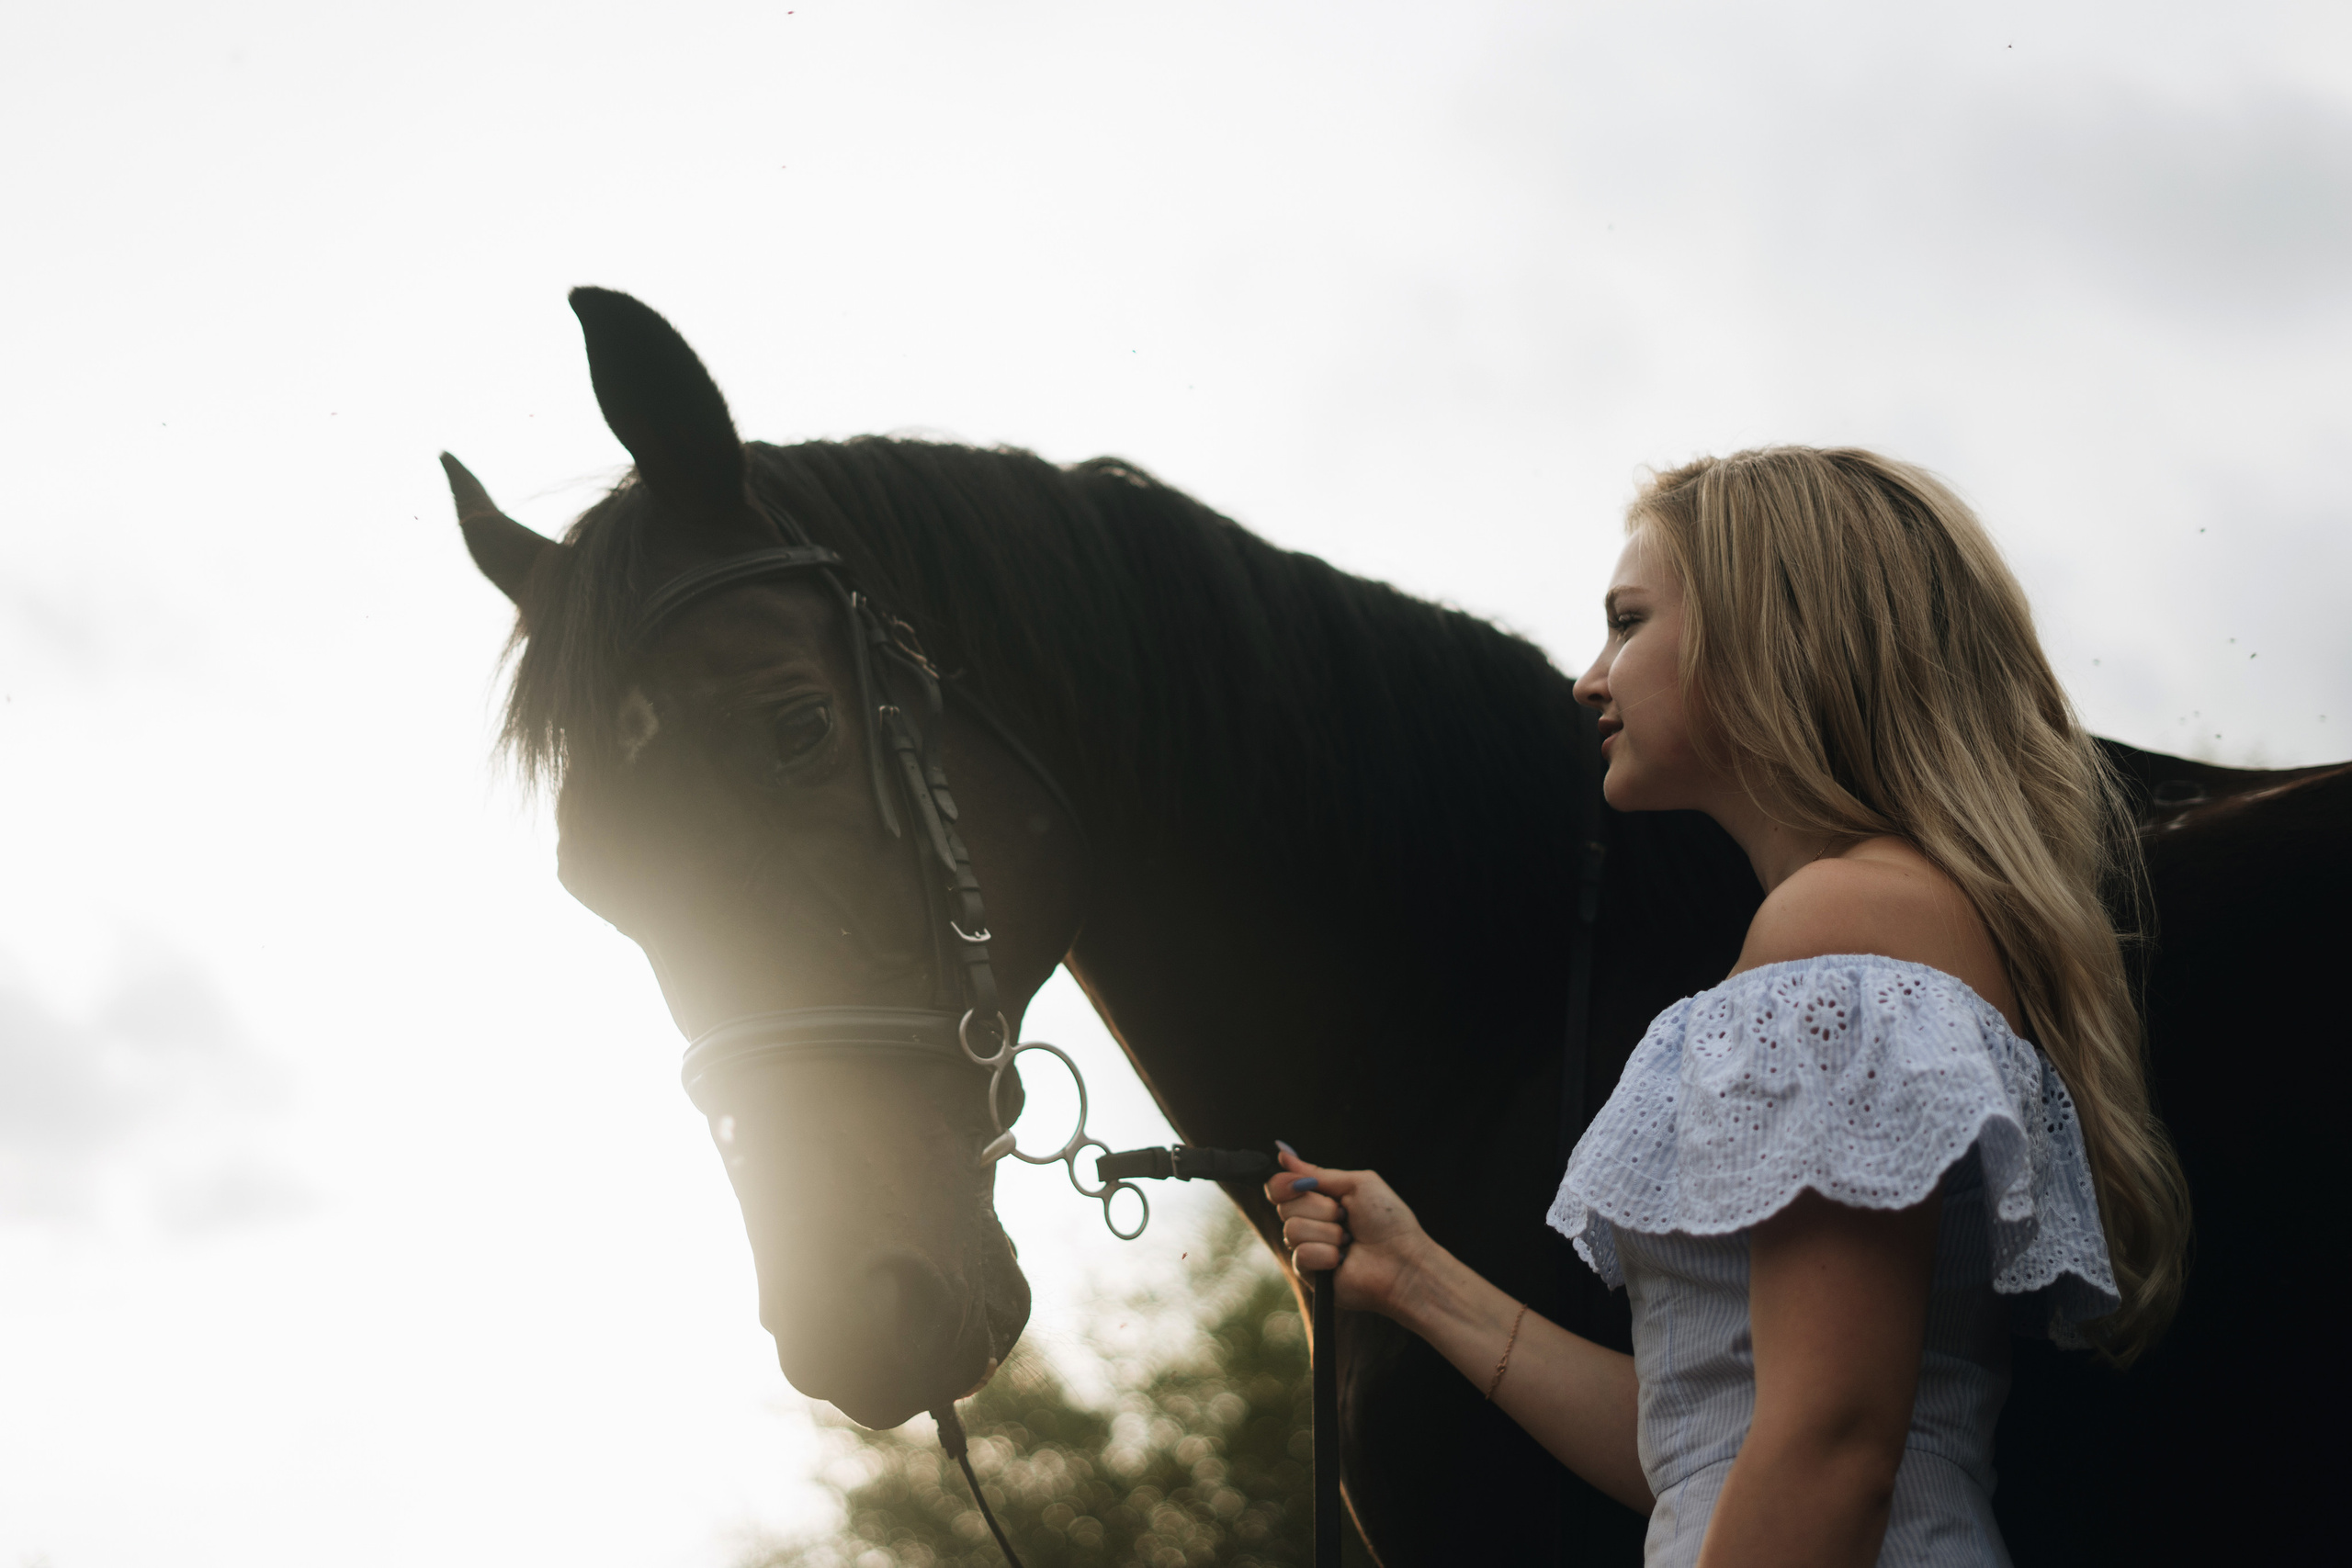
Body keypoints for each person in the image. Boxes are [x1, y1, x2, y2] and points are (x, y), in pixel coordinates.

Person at [1269, 447, 2191, 1567]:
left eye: (1628, 621)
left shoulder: (1840, 925)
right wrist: (1415, 1280)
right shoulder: (1870, 924)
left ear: (1767, 633)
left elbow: (1830, 1450)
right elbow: (1707, 1454)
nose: (1588, 678)